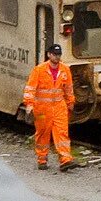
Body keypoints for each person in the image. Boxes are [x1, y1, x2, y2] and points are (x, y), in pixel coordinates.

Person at [21, 43, 77, 172]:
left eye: (59, 55)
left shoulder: (65, 70)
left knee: (62, 133)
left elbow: (68, 88)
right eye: (55, 54)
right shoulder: (39, 70)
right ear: (49, 55)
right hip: (42, 109)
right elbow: (30, 88)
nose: (57, 57)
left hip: (59, 107)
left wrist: (70, 102)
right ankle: (42, 159)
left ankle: (65, 160)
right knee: (42, 134)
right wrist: (29, 104)